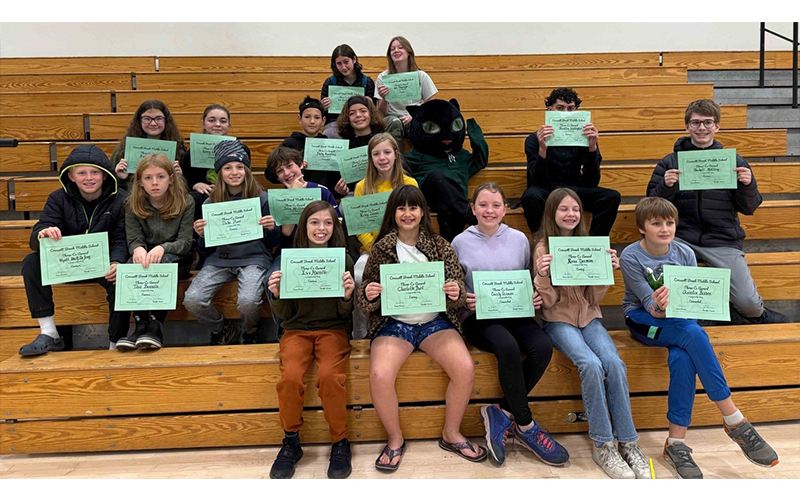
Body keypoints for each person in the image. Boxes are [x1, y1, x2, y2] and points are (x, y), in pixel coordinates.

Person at [619, 196, 779, 479]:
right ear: (642, 227)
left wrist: (687, 304)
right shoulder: (631, 256)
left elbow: (691, 304)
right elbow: (651, 308)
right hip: (643, 320)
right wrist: (661, 303)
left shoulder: (684, 252)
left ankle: (676, 444)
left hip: (681, 322)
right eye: (656, 223)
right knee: (692, 333)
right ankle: (733, 418)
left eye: (669, 222)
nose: (665, 228)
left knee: (683, 356)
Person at [357, 185, 487, 471]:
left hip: (434, 323)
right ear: (393, 212)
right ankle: (395, 439)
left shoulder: (440, 244)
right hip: (394, 324)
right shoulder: (381, 248)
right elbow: (364, 292)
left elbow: (459, 292)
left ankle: (451, 434)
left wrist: (455, 292)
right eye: (401, 208)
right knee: (379, 375)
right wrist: (368, 293)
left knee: (464, 368)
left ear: (423, 212)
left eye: (413, 207)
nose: (407, 213)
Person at [533, 188, 650, 479]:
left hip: (589, 318)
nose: (570, 214)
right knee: (590, 364)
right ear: (552, 213)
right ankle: (603, 444)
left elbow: (595, 297)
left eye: (575, 209)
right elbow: (545, 303)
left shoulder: (590, 244)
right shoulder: (542, 247)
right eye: (563, 209)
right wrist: (542, 276)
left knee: (615, 363)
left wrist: (606, 272)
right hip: (557, 320)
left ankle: (629, 441)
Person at [451, 182, 568, 468]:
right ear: (473, 208)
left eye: (495, 205)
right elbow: (452, 288)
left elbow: (527, 279)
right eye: (483, 205)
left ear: (505, 209)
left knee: (542, 346)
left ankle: (500, 411)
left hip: (516, 312)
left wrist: (533, 295)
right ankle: (526, 426)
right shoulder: (459, 242)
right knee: (507, 347)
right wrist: (464, 300)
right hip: (478, 317)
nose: (489, 211)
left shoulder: (519, 239)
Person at [646, 98, 789, 325]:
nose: (701, 128)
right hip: (681, 239)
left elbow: (749, 207)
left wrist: (747, 184)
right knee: (681, 304)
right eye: (695, 123)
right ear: (687, 126)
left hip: (722, 240)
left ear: (717, 127)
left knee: (749, 305)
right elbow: (650, 208)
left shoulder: (733, 161)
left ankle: (745, 313)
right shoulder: (670, 162)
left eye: (707, 122)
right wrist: (666, 186)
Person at [266, 201, 355, 480]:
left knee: (330, 376)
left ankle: (340, 442)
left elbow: (346, 314)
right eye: (314, 222)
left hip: (333, 330)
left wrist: (347, 296)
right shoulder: (290, 259)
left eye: (327, 223)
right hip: (296, 331)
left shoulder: (344, 260)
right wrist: (277, 295)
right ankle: (291, 441)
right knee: (290, 378)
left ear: (335, 227)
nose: (321, 228)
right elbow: (286, 315)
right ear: (304, 226)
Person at [19, 145, 129, 356]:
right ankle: (49, 332)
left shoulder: (120, 199)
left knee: (121, 276)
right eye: (82, 173)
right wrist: (43, 233)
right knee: (31, 262)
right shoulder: (57, 198)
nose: (89, 178)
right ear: (71, 176)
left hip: (102, 265)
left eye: (95, 172)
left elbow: (120, 239)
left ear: (105, 176)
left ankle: (115, 341)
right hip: (67, 263)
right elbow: (38, 233)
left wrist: (116, 261)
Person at [183, 140, 280, 345]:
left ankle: (250, 331)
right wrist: (201, 235)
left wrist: (272, 228)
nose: (234, 172)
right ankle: (221, 329)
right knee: (192, 299)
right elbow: (204, 249)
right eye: (227, 168)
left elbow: (273, 241)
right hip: (220, 260)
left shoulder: (262, 199)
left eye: (239, 167)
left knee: (248, 301)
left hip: (254, 259)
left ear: (247, 170)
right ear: (219, 172)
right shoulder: (211, 202)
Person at [117, 154, 195, 351]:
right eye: (148, 178)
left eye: (160, 177)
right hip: (147, 256)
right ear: (140, 182)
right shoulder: (132, 203)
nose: (154, 183)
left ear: (171, 178)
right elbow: (134, 238)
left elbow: (185, 242)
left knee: (163, 263)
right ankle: (140, 324)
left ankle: (156, 325)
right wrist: (138, 249)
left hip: (178, 258)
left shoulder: (186, 201)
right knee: (130, 267)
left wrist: (163, 248)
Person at [520, 87, 620, 236]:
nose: (565, 114)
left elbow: (592, 181)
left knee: (612, 197)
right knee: (530, 197)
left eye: (571, 109)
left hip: (575, 188)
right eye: (560, 108)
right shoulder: (534, 139)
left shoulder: (584, 137)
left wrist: (592, 148)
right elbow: (537, 180)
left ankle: (594, 244)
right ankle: (542, 241)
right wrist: (543, 149)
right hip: (546, 189)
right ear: (549, 110)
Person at [350, 133, 418, 339]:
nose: (382, 158)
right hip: (371, 249)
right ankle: (360, 331)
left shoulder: (409, 183)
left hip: (405, 246)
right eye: (376, 154)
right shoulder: (362, 186)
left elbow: (416, 220)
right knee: (359, 275)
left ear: (396, 154)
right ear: (370, 158)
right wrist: (375, 248)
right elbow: (359, 226)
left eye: (387, 152)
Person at [180, 104, 249, 221]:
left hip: (233, 190)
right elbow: (186, 179)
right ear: (203, 124)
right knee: (193, 198)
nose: (217, 124)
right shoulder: (191, 152)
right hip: (205, 193)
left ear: (229, 125)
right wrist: (195, 185)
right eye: (212, 120)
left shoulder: (242, 150)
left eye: (223, 121)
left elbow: (246, 175)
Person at [270, 96, 346, 197]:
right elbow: (270, 173)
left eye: (317, 117)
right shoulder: (289, 144)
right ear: (299, 119)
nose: (312, 121)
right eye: (307, 117)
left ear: (323, 121)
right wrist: (291, 169)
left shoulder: (330, 145)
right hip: (296, 197)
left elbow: (334, 177)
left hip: (323, 198)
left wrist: (339, 191)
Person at [112, 99, 187, 192]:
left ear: (166, 121)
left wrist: (179, 177)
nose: (153, 123)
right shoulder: (122, 149)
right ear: (139, 121)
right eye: (147, 119)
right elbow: (111, 185)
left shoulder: (178, 150)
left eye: (159, 118)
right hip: (132, 197)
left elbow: (186, 186)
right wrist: (120, 178)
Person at [374, 36, 438, 134]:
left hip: (414, 116)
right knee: (393, 123)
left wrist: (415, 115)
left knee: (419, 123)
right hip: (392, 118)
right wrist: (384, 98)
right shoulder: (383, 77)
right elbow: (382, 114)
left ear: (409, 52)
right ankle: (395, 150)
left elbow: (431, 104)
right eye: (392, 49)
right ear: (389, 55)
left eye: (400, 47)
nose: (396, 51)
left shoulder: (421, 75)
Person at [320, 44, 376, 139]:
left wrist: (371, 105)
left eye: (346, 62)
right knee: (329, 133)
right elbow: (323, 114)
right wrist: (324, 107)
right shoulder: (330, 82)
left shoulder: (367, 82)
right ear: (335, 64)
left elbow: (374, 112)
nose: (343, 67)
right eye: (339, 64)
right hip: (336, 122)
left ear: (354, 59)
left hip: (361, 121)